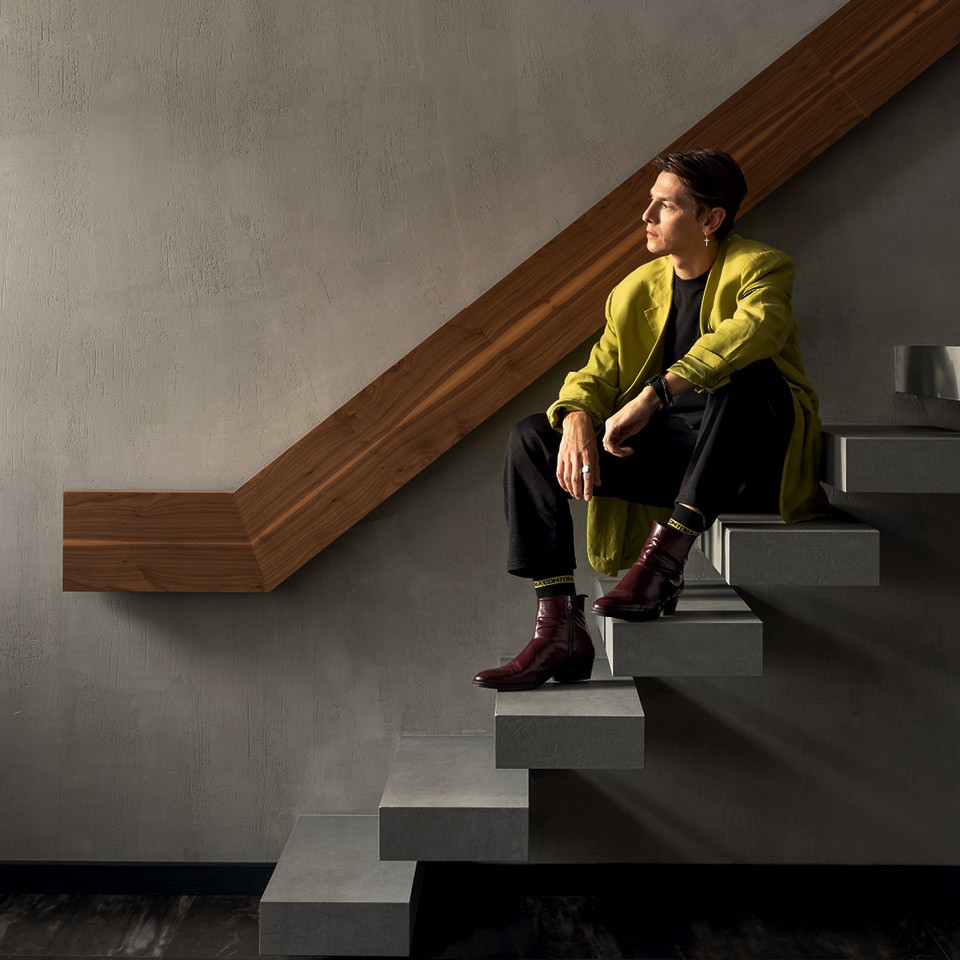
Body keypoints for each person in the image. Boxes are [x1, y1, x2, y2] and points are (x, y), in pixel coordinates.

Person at [473, 148, 829, 692]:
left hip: (747, 459)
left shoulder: (760, 266)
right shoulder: (636, 288)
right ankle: (558, 627)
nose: (647, 216)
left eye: (666, 206)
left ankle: (663, 564)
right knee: (531, 437)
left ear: (711, 219)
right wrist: (576, 417)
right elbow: (597, 371)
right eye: (650, 202)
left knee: (749, 374)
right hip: (677, 464)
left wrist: (656, 393)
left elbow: (756, 331)